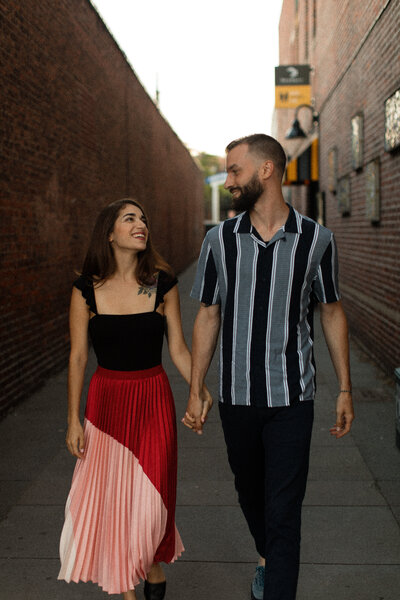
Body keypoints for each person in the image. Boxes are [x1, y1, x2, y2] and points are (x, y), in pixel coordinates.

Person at [183, 134, 354, 600]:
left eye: (235, 170)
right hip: (237, 397)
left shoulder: (317, 240)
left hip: (291, 399)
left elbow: (332, 310)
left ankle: (275, 582)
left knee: (284, 512)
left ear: (266, 171)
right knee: (250, 495)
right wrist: (197, 387)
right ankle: (267, 555)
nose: (229, 180)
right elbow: (208, 313)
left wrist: (344, 389)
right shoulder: (219, 240)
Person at [58, 198, 212, 600]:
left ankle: (151, 564)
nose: (141, 224)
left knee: (151, 505)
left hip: (153, 401)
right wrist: (73, 419)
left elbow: (178, 347)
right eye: (130, 219)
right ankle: (128, 590)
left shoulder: (163, 283)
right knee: (115, 503)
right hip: (106, 406)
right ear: (109, 233)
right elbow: (77, 357)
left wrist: (197, 389)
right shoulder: (84, 291)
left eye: (143, 218)